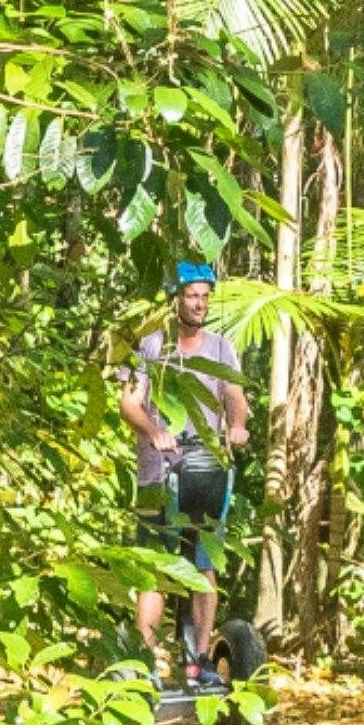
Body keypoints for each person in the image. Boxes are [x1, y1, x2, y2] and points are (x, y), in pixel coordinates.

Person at [119, 260, 251, 686]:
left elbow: (235, 395)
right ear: (175, 299)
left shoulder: (220, 349)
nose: (199, 304)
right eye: (192, 295)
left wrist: (237, 425)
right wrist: (154, 430)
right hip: (160, 477)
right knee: (156, 569)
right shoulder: (151, 347)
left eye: (205, 296)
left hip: (206, 473)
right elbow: (129, 403)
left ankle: (197, 662)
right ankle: (145, 664)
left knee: (203, 567)